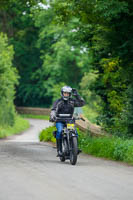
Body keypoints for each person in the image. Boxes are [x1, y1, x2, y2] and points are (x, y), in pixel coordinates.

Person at [50, 86, 85, 157]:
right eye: (65, 93)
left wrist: (76, 95)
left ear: (70, 94)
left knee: (75, 132)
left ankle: (75, 148)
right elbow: (53, 110)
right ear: (62, 93)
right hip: (59, 120)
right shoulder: (58, 101)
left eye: (68, 93)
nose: (66, 95)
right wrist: (52, 116)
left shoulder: (72, 101)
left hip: (69, 121)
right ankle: (59, 150)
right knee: (59, 131)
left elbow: (82, 103)